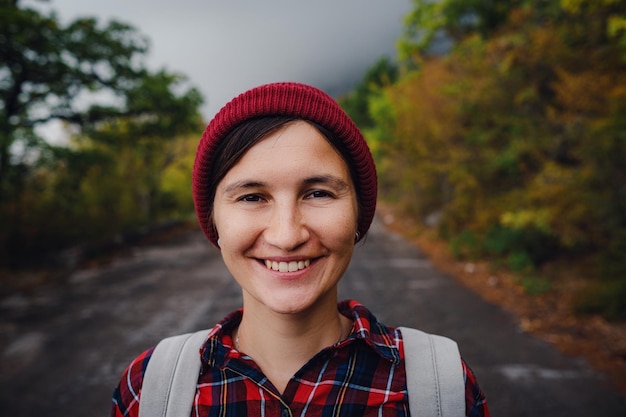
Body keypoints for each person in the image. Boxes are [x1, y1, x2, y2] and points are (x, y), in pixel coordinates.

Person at [111, 82, 490, 417]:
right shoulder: (150, 390)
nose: (287, 235)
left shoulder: (441, 389)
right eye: (252, 196)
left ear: (359, 213)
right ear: (214, 223)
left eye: (318, 193)